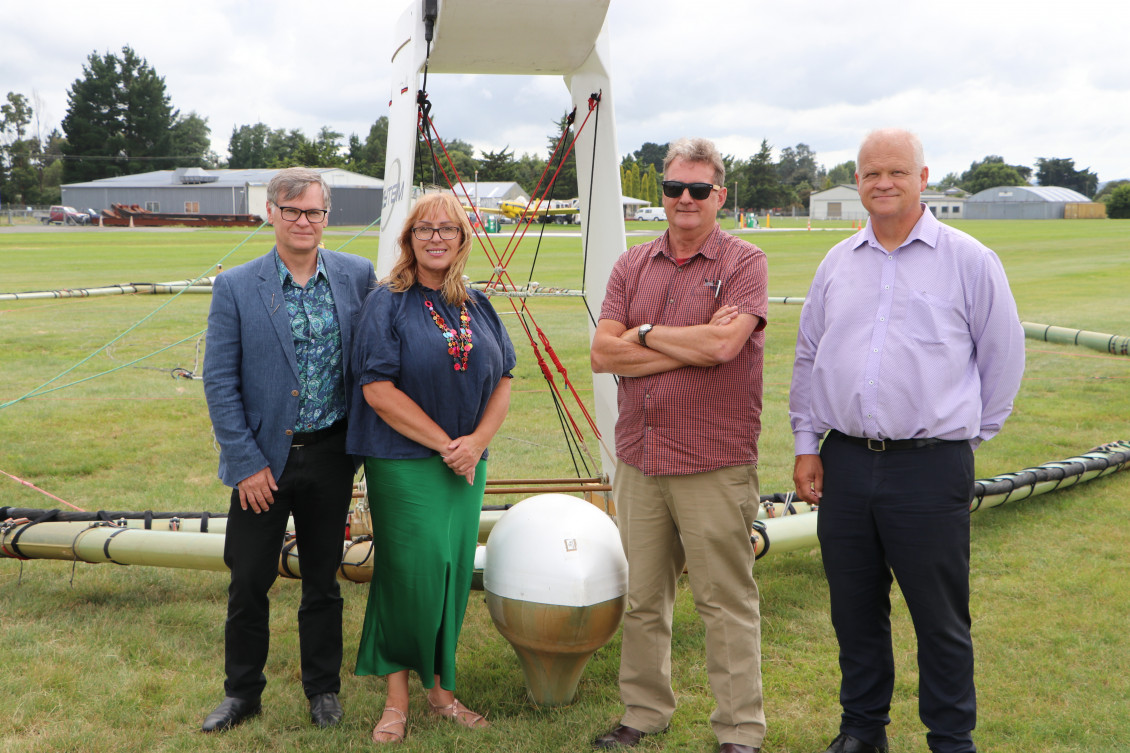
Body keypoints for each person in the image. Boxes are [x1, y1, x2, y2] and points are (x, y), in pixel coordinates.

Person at [789, 128, 1026, 753]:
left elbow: (1002, 359)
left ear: (923, 178)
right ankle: (862, 731)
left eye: (897, 172)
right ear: (857, 180)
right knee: (854, 610)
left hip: (930, 466)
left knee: (940, 618)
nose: (883, 183)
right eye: (870, 173)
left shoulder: (968, 259)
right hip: (844, 462)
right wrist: (807, 443)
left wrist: (966, 441)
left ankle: (951, 739)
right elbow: (809, 355)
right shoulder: (837, 263)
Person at [590, 137, 768, 753]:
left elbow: (724, 350)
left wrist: (642, 337)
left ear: (719, 195)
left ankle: (739, 731)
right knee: (643, 598)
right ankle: (643, 714)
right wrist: (679, 343)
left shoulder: (744, 262)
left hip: (712, 459)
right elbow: (601, 351)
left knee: (724, 600)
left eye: (698, 189)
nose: (685, 200)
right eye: (673, 189)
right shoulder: (632, 265)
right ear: (661, 194)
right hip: (639, 457)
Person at [201, 167, 377, 732]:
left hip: (330, 456)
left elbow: (374, 360)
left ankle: (322, 690)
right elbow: (220, 382)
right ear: (271, 213)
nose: (305, 222)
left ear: (329, 216)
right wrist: (247, 462)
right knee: (250, 579)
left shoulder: (356, 276)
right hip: (262, 463)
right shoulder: (236, 286)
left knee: (324, 583)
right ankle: (241, 692)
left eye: (316, 212)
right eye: (294, 211)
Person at [347, 191, 515, 745]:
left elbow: (506, 379)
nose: (436, 237)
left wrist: (477, 443)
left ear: (463, 238)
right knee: (409, 576)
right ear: (409, 239)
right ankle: (396, 700)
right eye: (425, 229)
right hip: (405, 463)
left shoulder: (480, 304)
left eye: (447, 228)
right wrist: (449, 444)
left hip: (467, 465)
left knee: (450, 575)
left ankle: (442, 693)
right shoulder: (387, 302)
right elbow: (376, 388)